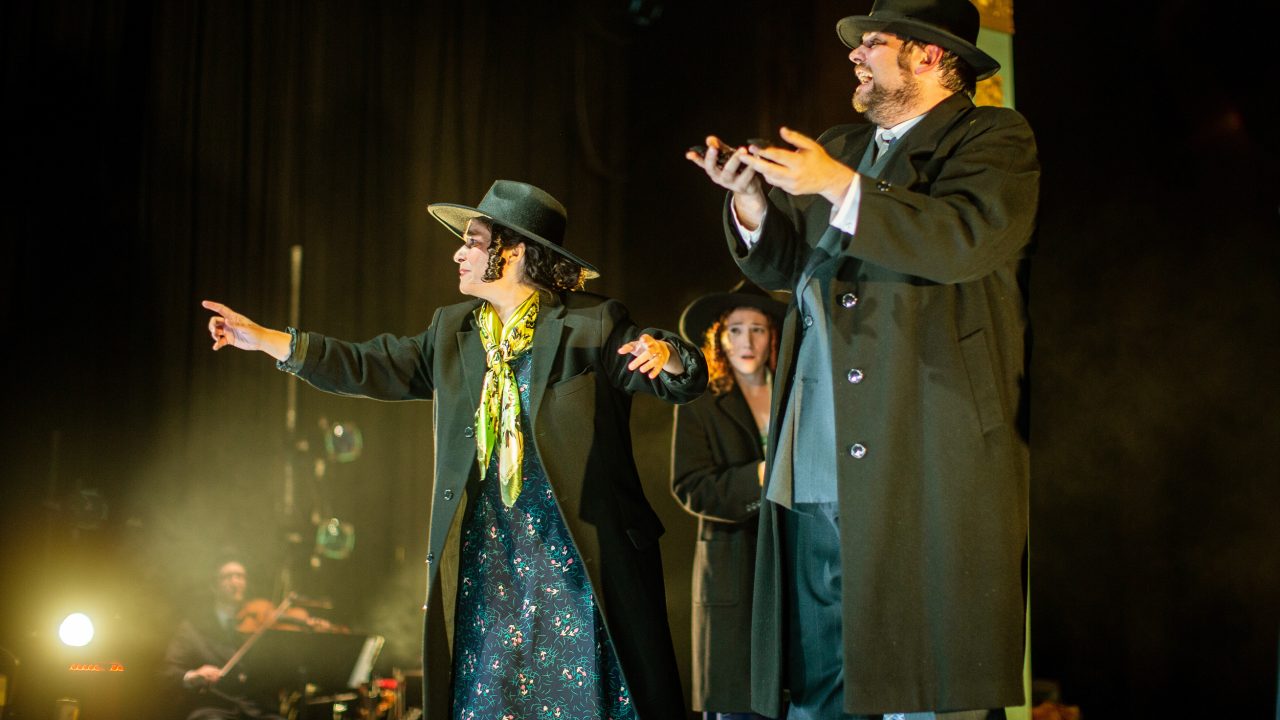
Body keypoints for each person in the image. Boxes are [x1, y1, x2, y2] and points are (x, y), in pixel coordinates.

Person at [202, 179, 705, 719]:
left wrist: (668, 356)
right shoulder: (453, 331)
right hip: (489, 567)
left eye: (472, 240)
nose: (458, 252)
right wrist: (271, 341)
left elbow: (673, 374)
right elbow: (371, 365)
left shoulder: (591, 323)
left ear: (513, 252)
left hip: (574, 564)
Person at [687, 0, 1040, 717]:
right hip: (819, 441)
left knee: (923, 675)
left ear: (931, 56)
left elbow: (965, 238)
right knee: (821, 673)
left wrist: (839, 186)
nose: (854, 55)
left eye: (873, 43)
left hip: (923, 442)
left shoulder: (990, 136)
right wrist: (752, 202)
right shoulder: (842, 144)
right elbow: (792, 264)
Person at [670, 281, 783, 720]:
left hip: (793, 566)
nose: (747, 341)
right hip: (735, 568)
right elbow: (690, 484)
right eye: (736, 330)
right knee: (740, 707)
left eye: (758, 329)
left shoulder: (797, 392)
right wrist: (759, 475)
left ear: (774, 335)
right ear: (719, 335)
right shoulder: (701, 400)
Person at [162, 558, 284, 720]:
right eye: (228, 577)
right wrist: (193, 675)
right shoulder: (193, 628)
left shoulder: (257, 623)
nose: (236, 582)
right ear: (214, 586)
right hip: (214, 708)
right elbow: (168, 671)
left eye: (241, 576)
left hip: (257, 709)